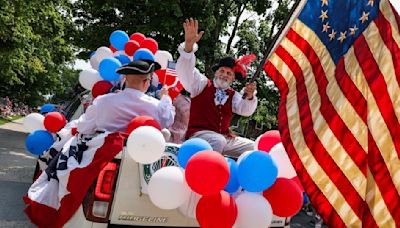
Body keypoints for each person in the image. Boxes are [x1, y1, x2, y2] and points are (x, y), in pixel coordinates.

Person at [176, 18, 258, 157]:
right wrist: (189, 47)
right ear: (216, 73)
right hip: (199, 135)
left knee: (254, 146)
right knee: (217, 141)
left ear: (232, 78)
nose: (225, 75)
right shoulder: (201, 84)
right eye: (222, 71)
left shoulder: (233, 95)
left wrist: (249, 96)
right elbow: (185, 72)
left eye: (229, 73)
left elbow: (245, 110)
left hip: (224, 138)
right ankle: (210, 174)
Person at [76, 59, 175, 134]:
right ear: (146, 83)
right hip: (140, 157)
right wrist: (165, 98)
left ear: (124, 80)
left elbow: (83, 127)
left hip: (104, 156)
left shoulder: (102, 101)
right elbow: (168, 120)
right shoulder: (156, 106)